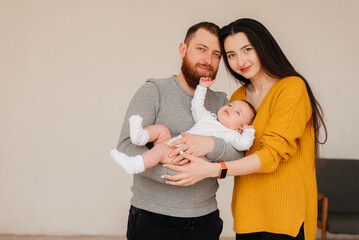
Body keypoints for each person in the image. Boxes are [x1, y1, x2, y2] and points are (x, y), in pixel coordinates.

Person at [162, 18, 328, 240]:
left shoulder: (292, 89)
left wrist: (212, 169)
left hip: (285, 217)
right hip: (247, 215)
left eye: (247, 49)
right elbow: (233, 150)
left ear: (263, 46)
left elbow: (270, 157)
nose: (240, 61)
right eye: (231, 55)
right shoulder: (238, 98)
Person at [115, 22, 244, 240]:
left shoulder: (224, 104)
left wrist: (210, 146)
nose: (208, 60)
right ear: (183, 50)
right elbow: (126, 147)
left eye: (216, 54)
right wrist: (176, 173)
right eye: (201, 49)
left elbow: (239, 154)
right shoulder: (154, 91)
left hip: (205, 220)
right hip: (151, 217)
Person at [111, 77, 255, 174]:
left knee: (160, 150)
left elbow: (243, 145)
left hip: (182, 159)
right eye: (230, 105)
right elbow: (196, 107)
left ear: (239, 128)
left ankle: (134, 165)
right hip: (173, 145)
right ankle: (140, 136)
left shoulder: (232, 135)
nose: (230, 108)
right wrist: (202, 88)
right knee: (162, 130)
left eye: (237, 112)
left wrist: (248, 133)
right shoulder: (209, 118)